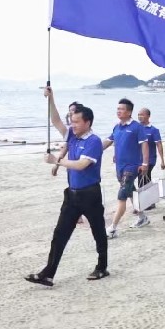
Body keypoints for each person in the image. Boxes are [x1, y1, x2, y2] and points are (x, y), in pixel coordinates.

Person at [26, 101, 109, 286]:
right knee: (60, 234)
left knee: (98, 232)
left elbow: (81, 165)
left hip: (90, 194)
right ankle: (48, 274)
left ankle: (102, 267)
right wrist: (50, 96)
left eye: (77, 122)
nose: (73, 125)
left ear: (87, 122)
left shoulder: (93, 141)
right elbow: (55, 120)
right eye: (72, 122)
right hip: (71, 195)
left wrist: (57, 161)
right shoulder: (72, 134)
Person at [101, 98, 150, 239]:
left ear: (129, 112)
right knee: (130, 192)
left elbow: (144, 144)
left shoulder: (137, 127)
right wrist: (93, 151)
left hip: (132, 166)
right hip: (120, 167)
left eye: (121, 109)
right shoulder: (117, 127)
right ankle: (142, 217)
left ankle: (112, 228)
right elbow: (108, 142)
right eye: (117, 109)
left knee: (122, 195)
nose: (118, 111)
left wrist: (145, 164)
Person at [137, 108, 165, 211]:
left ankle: (145, 203)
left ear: (148, 116)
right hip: (137, 160)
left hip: (150, 160)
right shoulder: (137, 128)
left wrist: (162, 160)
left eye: (142, 115)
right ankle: (149, 201)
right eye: (138, 115)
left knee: (143, 178)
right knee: (145, 179)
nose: (140, 117)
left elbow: (159, 145)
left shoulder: (153, 130)